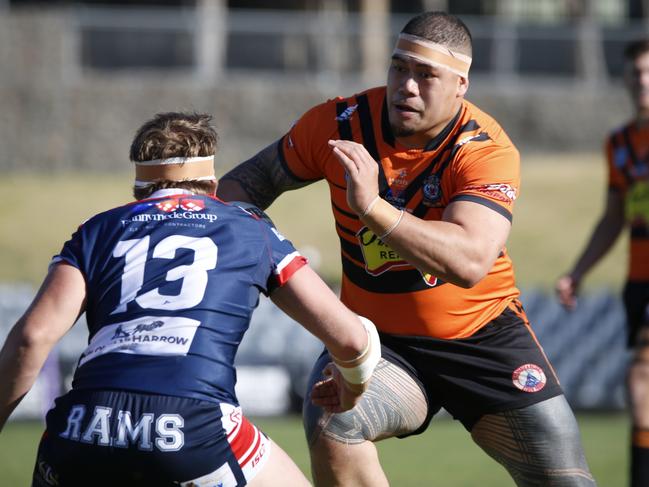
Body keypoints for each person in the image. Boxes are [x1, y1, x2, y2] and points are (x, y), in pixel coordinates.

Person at [216, 11, 597, 487]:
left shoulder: (484, 148)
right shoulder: (339, 123)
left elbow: (469, 261)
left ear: (461, 84)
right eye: (400, 68)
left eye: (426, 75)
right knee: (333, 419)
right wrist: (215, 228)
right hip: (384, 343)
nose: (407, 87)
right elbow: (245, 183)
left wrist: (373, 207)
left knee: (567, 481)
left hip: (481, 338)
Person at [0, 112, 382, 487]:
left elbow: (32, 338)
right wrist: (350, 389)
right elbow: (352, 339)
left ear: (138, 189)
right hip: (191, 428)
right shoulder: (249, 230)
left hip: (81, 428)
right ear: (212, 185)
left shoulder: (96, 229)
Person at [556, 39, 649, 487]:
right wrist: (578, 271)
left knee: (640, 380)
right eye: (636, 73)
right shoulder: (619, 145)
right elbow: (614, 217)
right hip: (639, 281)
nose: (643, 81)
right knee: (642, 390)